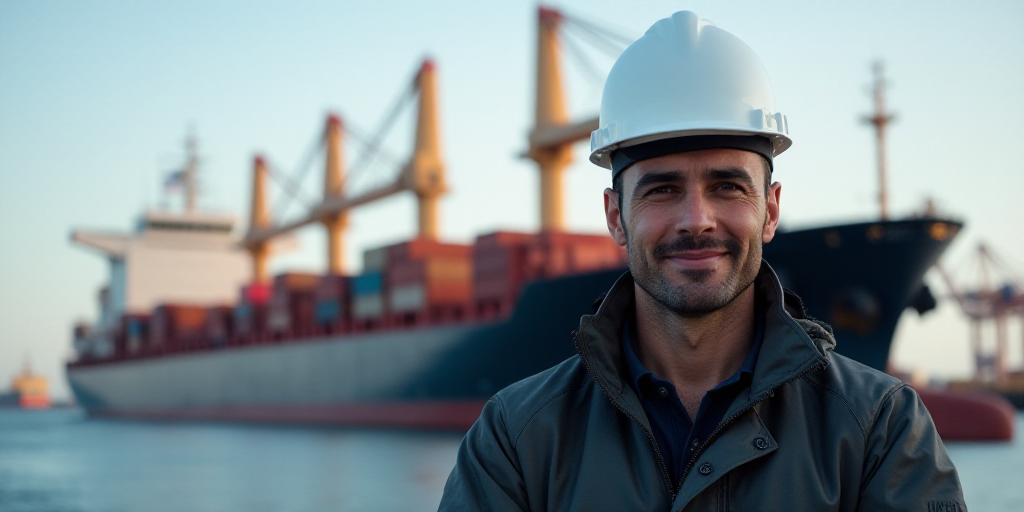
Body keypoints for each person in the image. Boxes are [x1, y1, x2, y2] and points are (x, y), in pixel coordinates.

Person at [438, 11, 965, 512]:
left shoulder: (883, 428)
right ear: (615, 217)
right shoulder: (511, 438)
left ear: (771, 209)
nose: (697, 219)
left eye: (727, 186)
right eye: (662, 189)